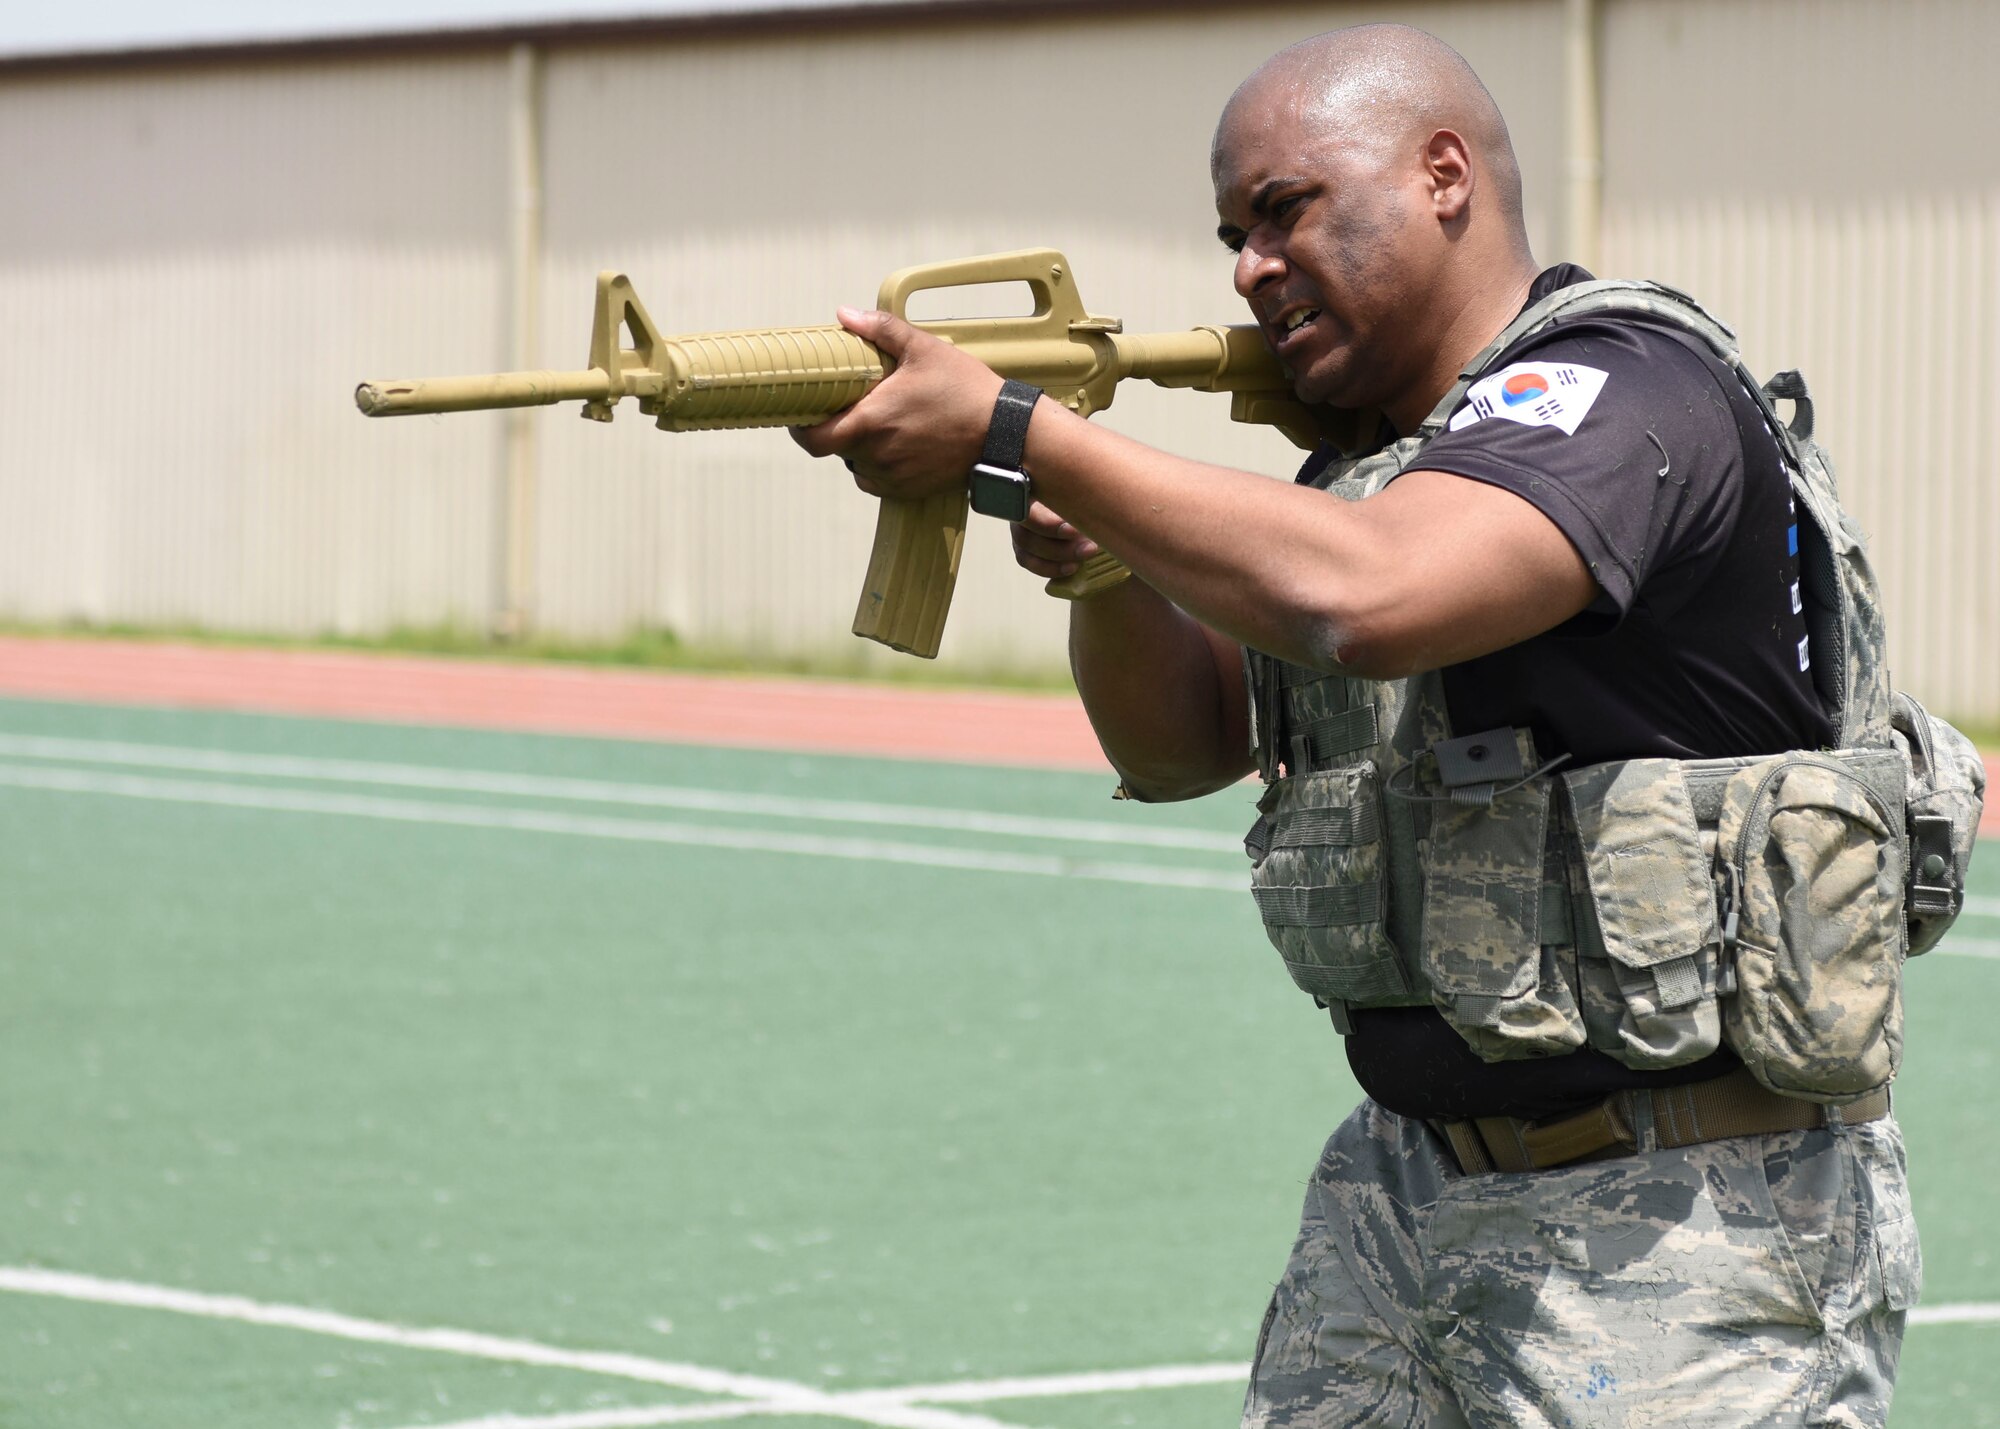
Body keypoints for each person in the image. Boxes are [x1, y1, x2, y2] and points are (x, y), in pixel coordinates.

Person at [793, 24, 1920, 1428]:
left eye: (1286, 210)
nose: (1250, 268)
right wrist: (1097, 563)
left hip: (1681, 1215)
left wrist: (1022, 429)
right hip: (1405, 1188)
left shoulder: (1626, 387)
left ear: (1444, 174)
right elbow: (1182, 740)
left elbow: (1375, 597)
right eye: (1231, 235)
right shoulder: (1375, 464)